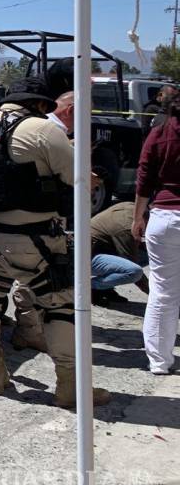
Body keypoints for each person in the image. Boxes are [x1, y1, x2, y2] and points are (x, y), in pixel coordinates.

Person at [0, 77, 111, 407]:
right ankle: (69, 386)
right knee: (61, 306)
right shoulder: (40, 129)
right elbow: (77, 178)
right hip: (35, 239)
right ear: (40, 104)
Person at [131, 101, 180, 375]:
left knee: (162, 294)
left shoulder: (160, 133)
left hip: (164, 218)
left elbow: (144, 177)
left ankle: (159, 361)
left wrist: (138, 217)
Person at [90, 201, 149, 305]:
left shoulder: (132, 207)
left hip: (92, 250)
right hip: (81, 259)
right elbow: (131, 261)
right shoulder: (127, 229)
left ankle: (104, 288)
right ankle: (89, 287)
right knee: (134, 271)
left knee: (118, 251)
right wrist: (157, 296)